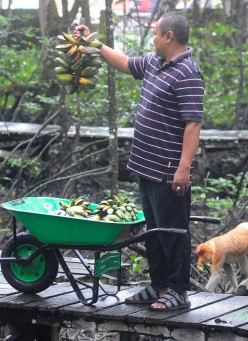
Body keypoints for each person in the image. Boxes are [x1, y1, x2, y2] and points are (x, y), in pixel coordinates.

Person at [74, 11, 204, 311]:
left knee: (172, 231)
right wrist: (93, 42)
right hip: (146, 166)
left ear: (169, 37)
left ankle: (179, 292)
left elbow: (193, 124)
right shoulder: (154, 63)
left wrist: (184, 168)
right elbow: (124, 62)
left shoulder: (188, 74)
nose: (153, 37)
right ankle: (158, 286)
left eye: (156, 32)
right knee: (153, 232)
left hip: (169, 170)